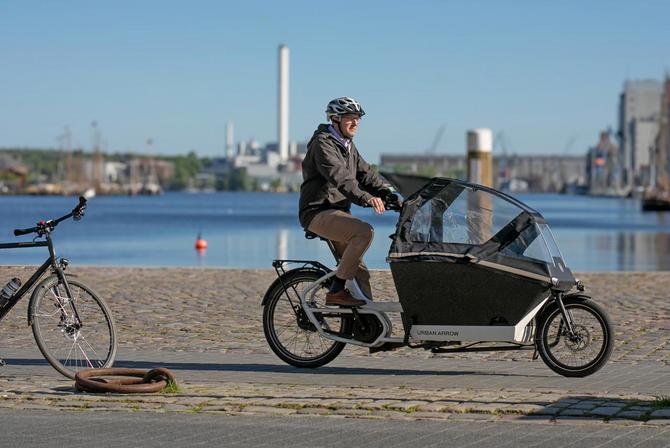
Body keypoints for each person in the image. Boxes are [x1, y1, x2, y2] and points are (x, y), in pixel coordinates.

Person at [299, 97, 393, 307]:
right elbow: (340, 177)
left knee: (359, 273)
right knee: (364, 232)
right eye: (350, 118)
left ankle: (373, 331)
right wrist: (366, 198)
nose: (356, 122)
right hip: (318, 211)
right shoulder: (322, 143)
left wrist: (391, 195)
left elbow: (367, 175)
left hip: (338, 213)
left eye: (358, 118)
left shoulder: (348, 146)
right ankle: (336, 291)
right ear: (335, 119)